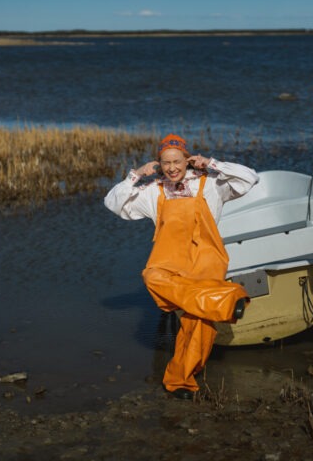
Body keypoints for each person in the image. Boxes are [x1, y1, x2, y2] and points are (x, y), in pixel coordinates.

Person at [104, 134, 260, 400]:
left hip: (206, 261)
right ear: (159, 163)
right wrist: (135, 175)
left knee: (198, 324)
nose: (172, 168)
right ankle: (224, 299)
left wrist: (212, 163)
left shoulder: (210, 184)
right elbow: (113, 203)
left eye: (177, 161)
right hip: (169, 264)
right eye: (166, 163)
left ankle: (181, 381)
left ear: (188, 160)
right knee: (151, 277)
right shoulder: (154, 190)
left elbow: (249, 178)